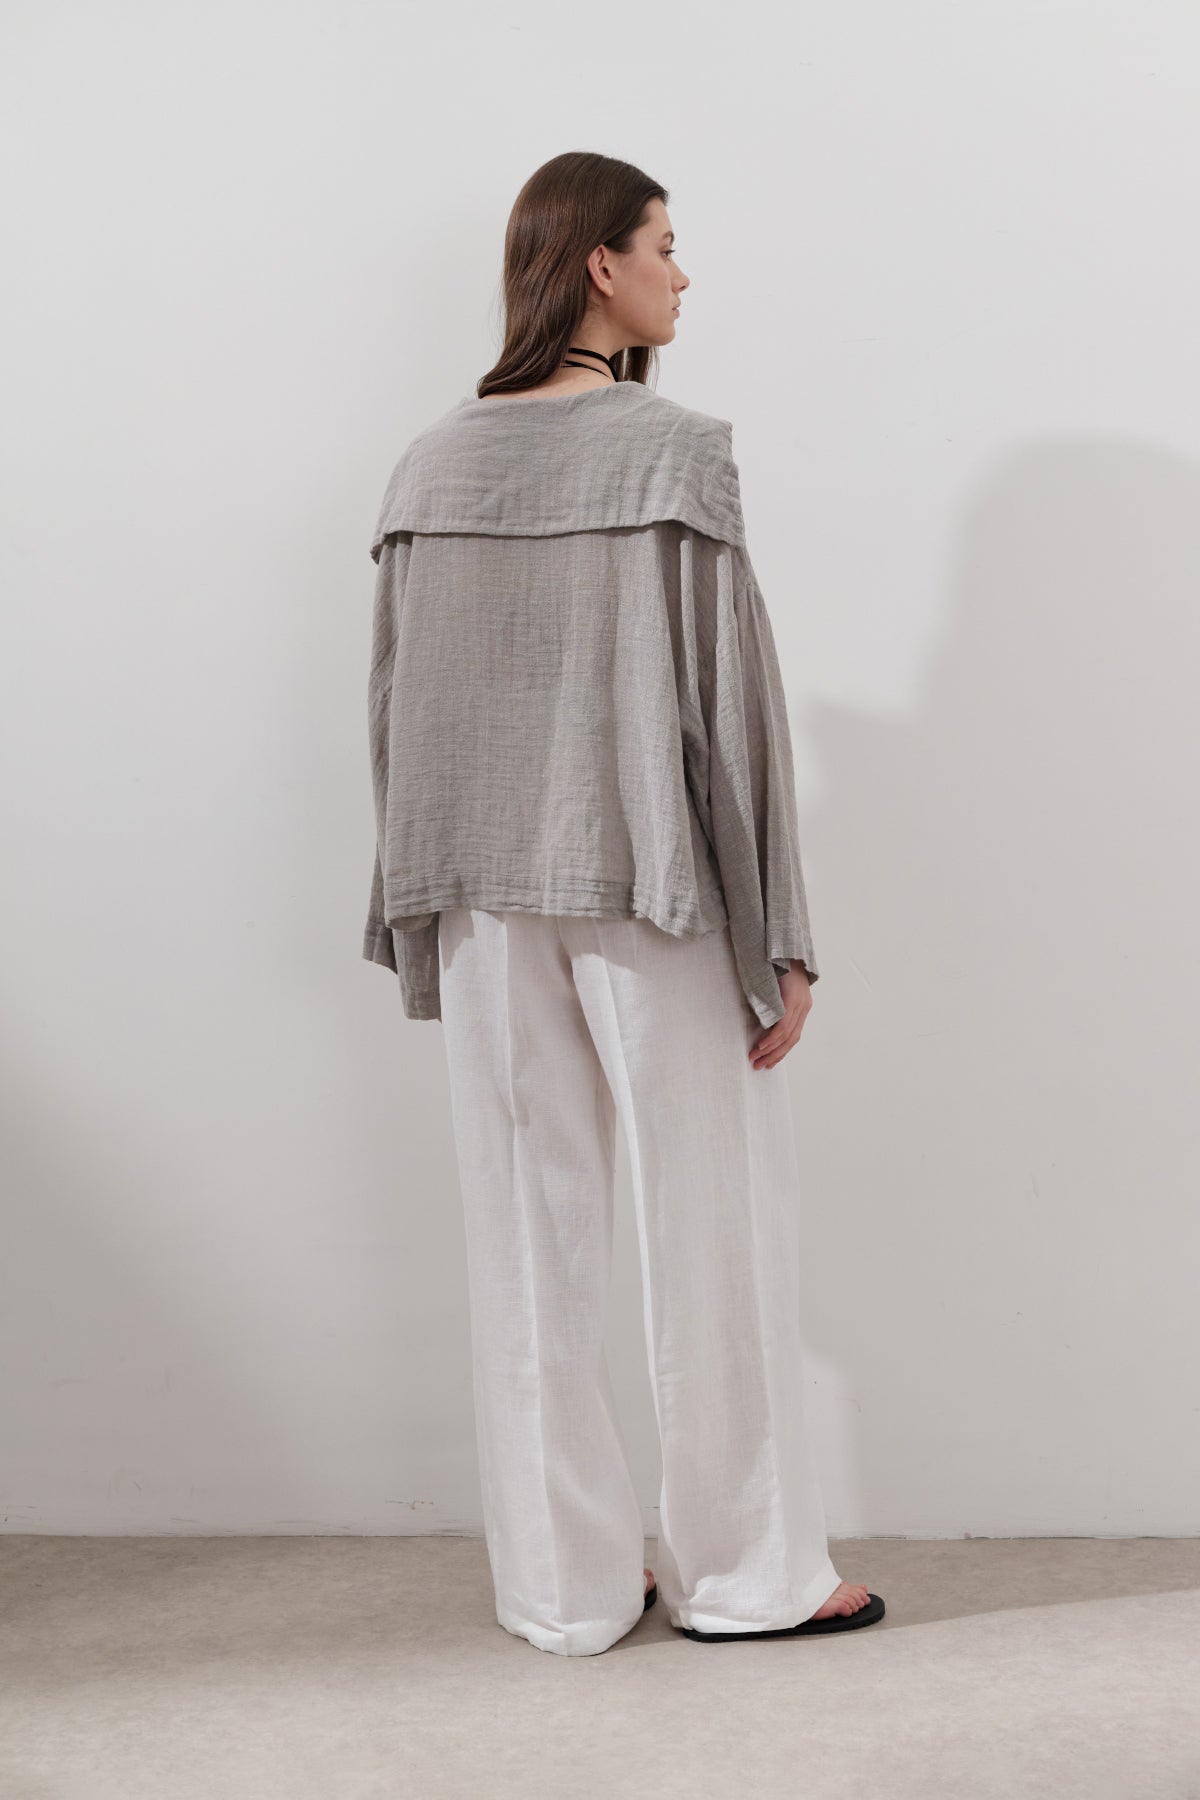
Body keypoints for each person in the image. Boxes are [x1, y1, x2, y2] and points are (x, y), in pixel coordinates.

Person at [362, 150, 885, 1656]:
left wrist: (409, 907)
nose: (681, 271)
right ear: (602, 263)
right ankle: (750, 1575)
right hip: (651, 887)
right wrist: (780, 931)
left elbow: (395, 710)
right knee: (711, 1229)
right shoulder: (673, 452)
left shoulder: (427, 467)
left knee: (526, 1245)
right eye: (664, 243)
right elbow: (731, 709)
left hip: (476, 897)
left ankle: (566, 1588)